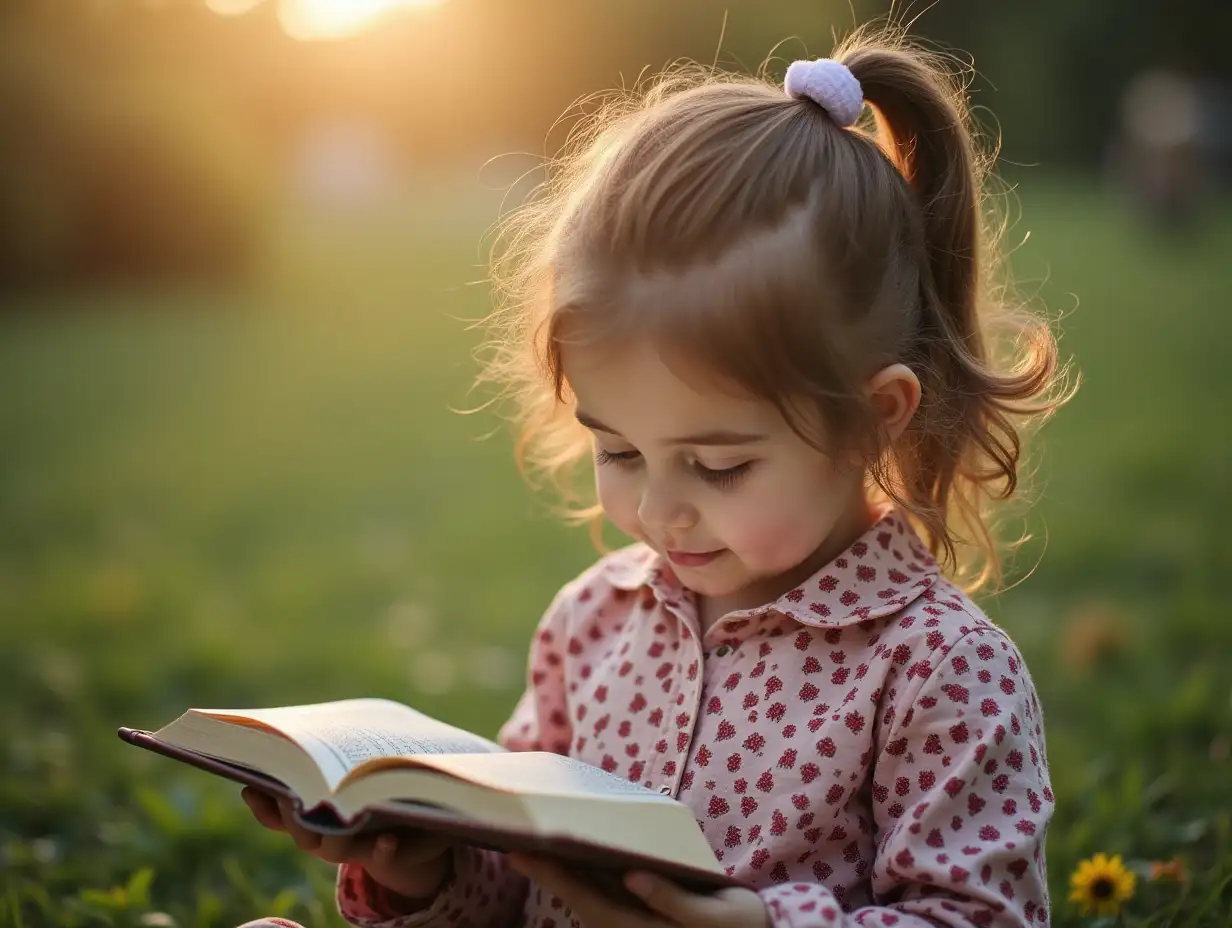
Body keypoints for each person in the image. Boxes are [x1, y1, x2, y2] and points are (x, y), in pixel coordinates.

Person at [238, 21, 1073, 928]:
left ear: (874, 418)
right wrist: (423, 869)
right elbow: (518, 882)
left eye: (718, 466)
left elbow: (978, 916)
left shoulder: (939, 671)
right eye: (619, 451)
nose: (659, 511)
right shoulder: (592, 624)